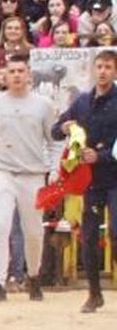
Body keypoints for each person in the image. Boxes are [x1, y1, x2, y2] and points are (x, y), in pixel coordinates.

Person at [0, 54, 58, 303]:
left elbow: (55, 142)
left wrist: (54, 170)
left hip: (32, 175)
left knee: (32, 231)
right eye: (12, 71)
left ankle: (33, 275)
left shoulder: (44, 105)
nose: (17, 75)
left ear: (29, 75)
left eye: (21, 71)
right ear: (5, 75)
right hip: (2, 172)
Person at [55, 48, 117, 312]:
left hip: (114, 176)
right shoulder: (82, 101)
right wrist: (64, 127)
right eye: (99, 66)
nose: (103, 71)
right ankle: (94, 293)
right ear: (94, 69)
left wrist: (101, 156)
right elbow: (56, 130)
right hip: (90, 180)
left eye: (108, 67)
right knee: (89, 237)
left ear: (115, 71)